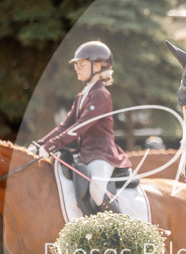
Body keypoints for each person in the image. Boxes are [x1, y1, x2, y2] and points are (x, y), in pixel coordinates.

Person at [30, 41, 131, 213]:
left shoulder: (101, 95)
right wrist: (40, 144)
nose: (77, 68)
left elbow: (79, 127)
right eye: (76, 64)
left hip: (101, 154)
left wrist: (51, 146)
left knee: (97, 191)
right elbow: (64, 126)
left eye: (82, 64)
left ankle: (120, 233)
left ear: (98, 66)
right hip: (86, 154)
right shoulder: (82, 95)